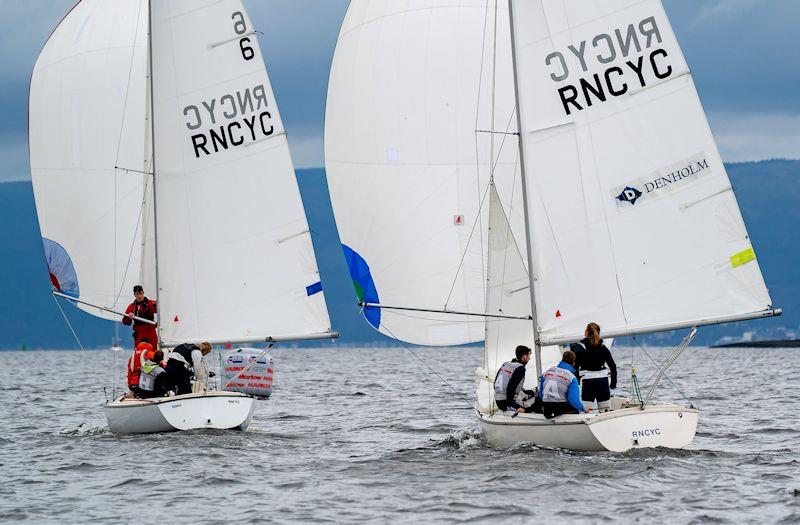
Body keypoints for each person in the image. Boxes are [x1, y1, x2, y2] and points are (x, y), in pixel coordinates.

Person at [572, 322, 617, 411]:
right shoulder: (603, 347)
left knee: (587, 413)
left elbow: (575, 368)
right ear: (598, 333)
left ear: (586, 332)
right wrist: (613, 384)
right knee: (605, 412)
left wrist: (576, 383)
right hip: (603, 382)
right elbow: (613, 366)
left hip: (588, 383)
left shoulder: (580, 347)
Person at [539, 350, 591, 419]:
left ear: (562, 360)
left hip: (546, 408)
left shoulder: (547, 372)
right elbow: (573, 399)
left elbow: (541, 394)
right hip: (560, 408)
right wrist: (583, 408)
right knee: (577, 410)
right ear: (573, 363)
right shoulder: (571, 378)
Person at [494, 345, 533, 413]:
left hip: (498, 401)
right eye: (529, 356)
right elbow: (511, 388)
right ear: (524, 357)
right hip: (506, 403)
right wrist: (513, 405)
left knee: (530, 393)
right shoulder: (520, 369)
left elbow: (495, 383)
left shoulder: (505, 364)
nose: (529, 358)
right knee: (534, 402)